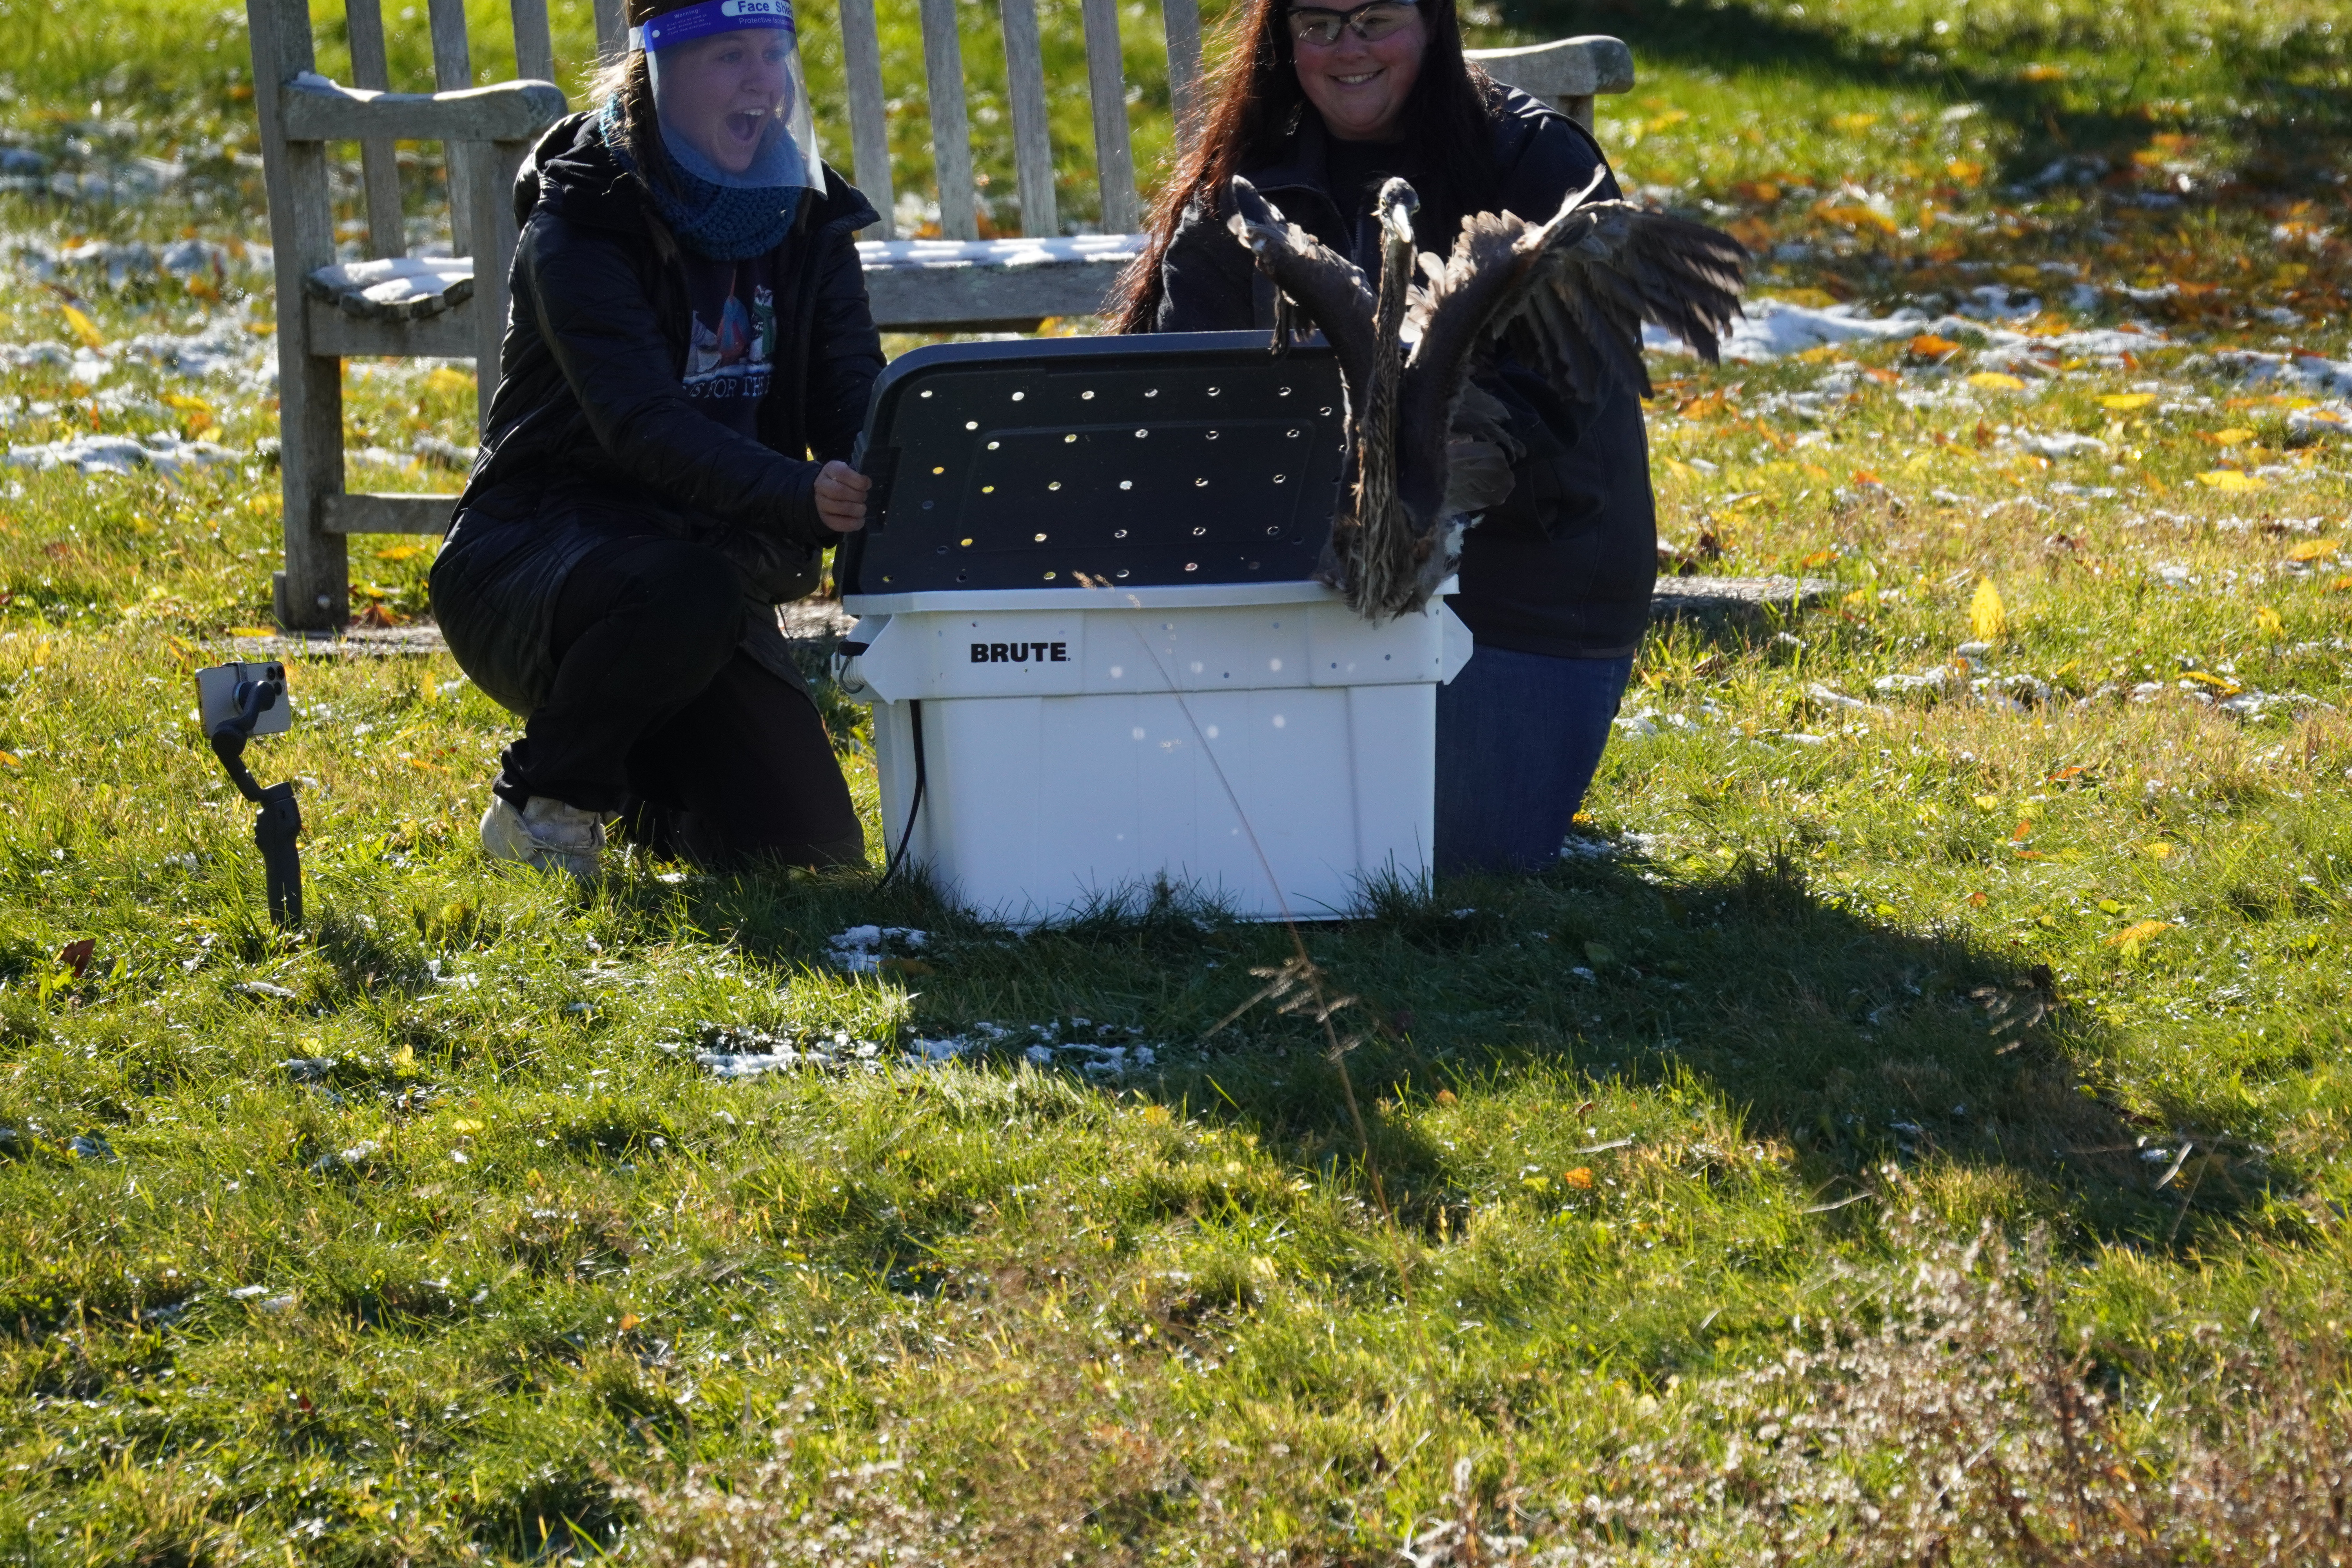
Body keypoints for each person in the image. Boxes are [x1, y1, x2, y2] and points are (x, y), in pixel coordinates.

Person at [1118, 0, 1655, 877]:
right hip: (1301, 578)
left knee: (1438, 866)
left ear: (1434, 24)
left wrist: (1436, 459)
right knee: (1258, 860)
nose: (1347, 50)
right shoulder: (1244, 183)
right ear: (1283, 41)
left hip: (1521, 580)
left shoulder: (1536, 160)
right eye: (1320, 25)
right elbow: (1179, 395)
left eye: (1375, 19)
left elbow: (1572, 387)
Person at [430, 0, 883, 880]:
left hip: (702, 573)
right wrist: (800, 496)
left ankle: (642, 784)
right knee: (686, 590)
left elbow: (851, 396)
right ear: (658, 72)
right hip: (535, 560)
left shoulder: (806, 216)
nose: (761, 82)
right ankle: (547, 804)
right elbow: (642, 426)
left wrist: (885, 464)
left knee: (809, 853)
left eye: (771, 55)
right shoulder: (583, 219)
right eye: (728, 58)